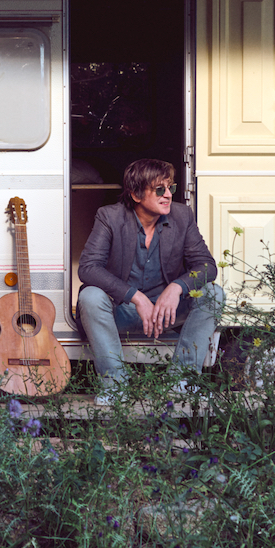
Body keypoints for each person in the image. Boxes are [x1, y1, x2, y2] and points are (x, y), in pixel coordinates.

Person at [76, 158, 224, 404]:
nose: (168, 195)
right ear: (135, 194)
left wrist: (177, 288)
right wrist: (136, 296)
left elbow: (206, 266)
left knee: (213, 293)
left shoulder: (182, 215)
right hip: (123, 311)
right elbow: (89, 268)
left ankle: (183, 380)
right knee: (90, 296)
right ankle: (115, 386)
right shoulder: (110, 216)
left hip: (167, 312)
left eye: (170, 188)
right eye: (159, 189)